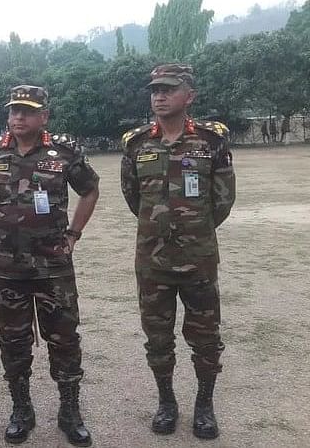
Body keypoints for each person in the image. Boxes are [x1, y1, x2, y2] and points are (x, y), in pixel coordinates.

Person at [0, 85, 99, 447]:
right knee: (13, 341)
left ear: (43, 116)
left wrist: (74, 233)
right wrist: (1, 227)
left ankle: (69, 411)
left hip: (52, 266)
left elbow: (89, 189)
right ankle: (21, 408)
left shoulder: (64, 152)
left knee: (64, 339)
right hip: (6, 266)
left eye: (27, 111)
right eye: (13, 110)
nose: (17, 117)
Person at [120, 64, 235, 440]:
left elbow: (222, 201)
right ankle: (166, 402)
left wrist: (192, 231)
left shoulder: (211, 141)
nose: (159, 95)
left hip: (199, 259)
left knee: (205, 337)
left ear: (190, 95)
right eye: (154, 89)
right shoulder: (136, 144)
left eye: (169, 89)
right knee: (157, 337)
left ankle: (205, 405)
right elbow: (133, 198)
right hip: (152, 262)